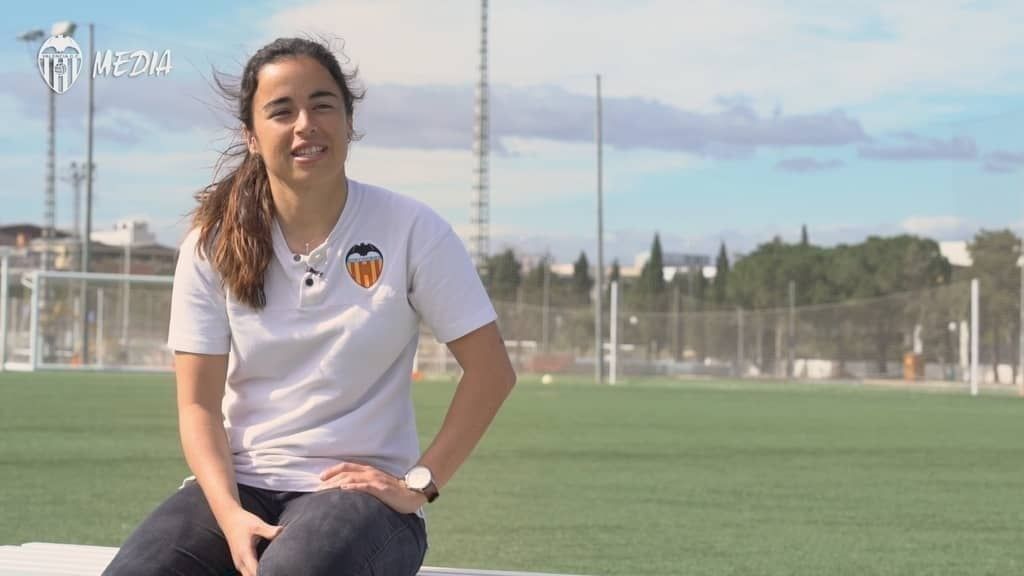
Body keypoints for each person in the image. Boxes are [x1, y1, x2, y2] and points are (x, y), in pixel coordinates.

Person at [103, 37, 516, 576]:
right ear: (251, 136)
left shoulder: (412, 229)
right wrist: (229, 515)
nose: (305, 123)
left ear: (348, 120)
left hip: (358, 500)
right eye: (282, 110)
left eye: (323, 104)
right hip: (239, 488)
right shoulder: (213, 240)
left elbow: (491, 372)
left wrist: (418, 484)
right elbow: (197, 406)